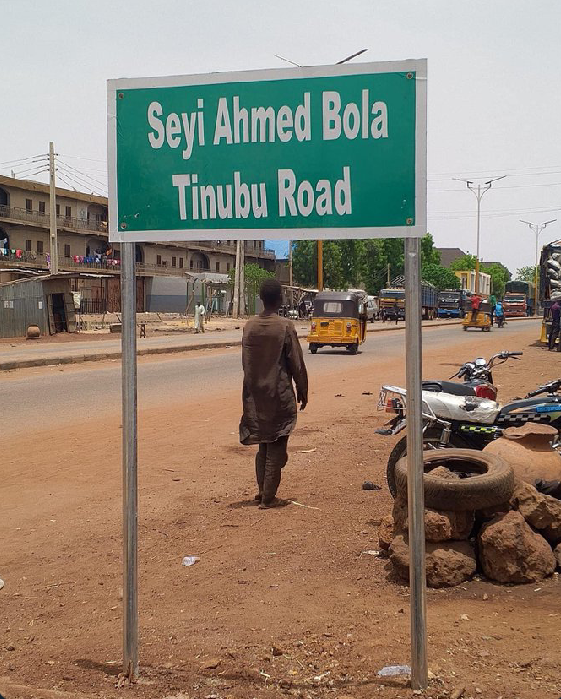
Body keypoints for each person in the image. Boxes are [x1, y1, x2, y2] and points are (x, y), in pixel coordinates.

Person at [239, 279, 308, 509]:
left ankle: (262, 491)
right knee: (276, 445)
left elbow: (246, 363)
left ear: (261, 299)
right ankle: (268, 497)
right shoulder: (285, 327)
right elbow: (296, 364)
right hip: (278, 396)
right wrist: (303, 390)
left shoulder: (249, 327)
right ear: (279, 299)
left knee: (264, 445)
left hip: (255, 397)